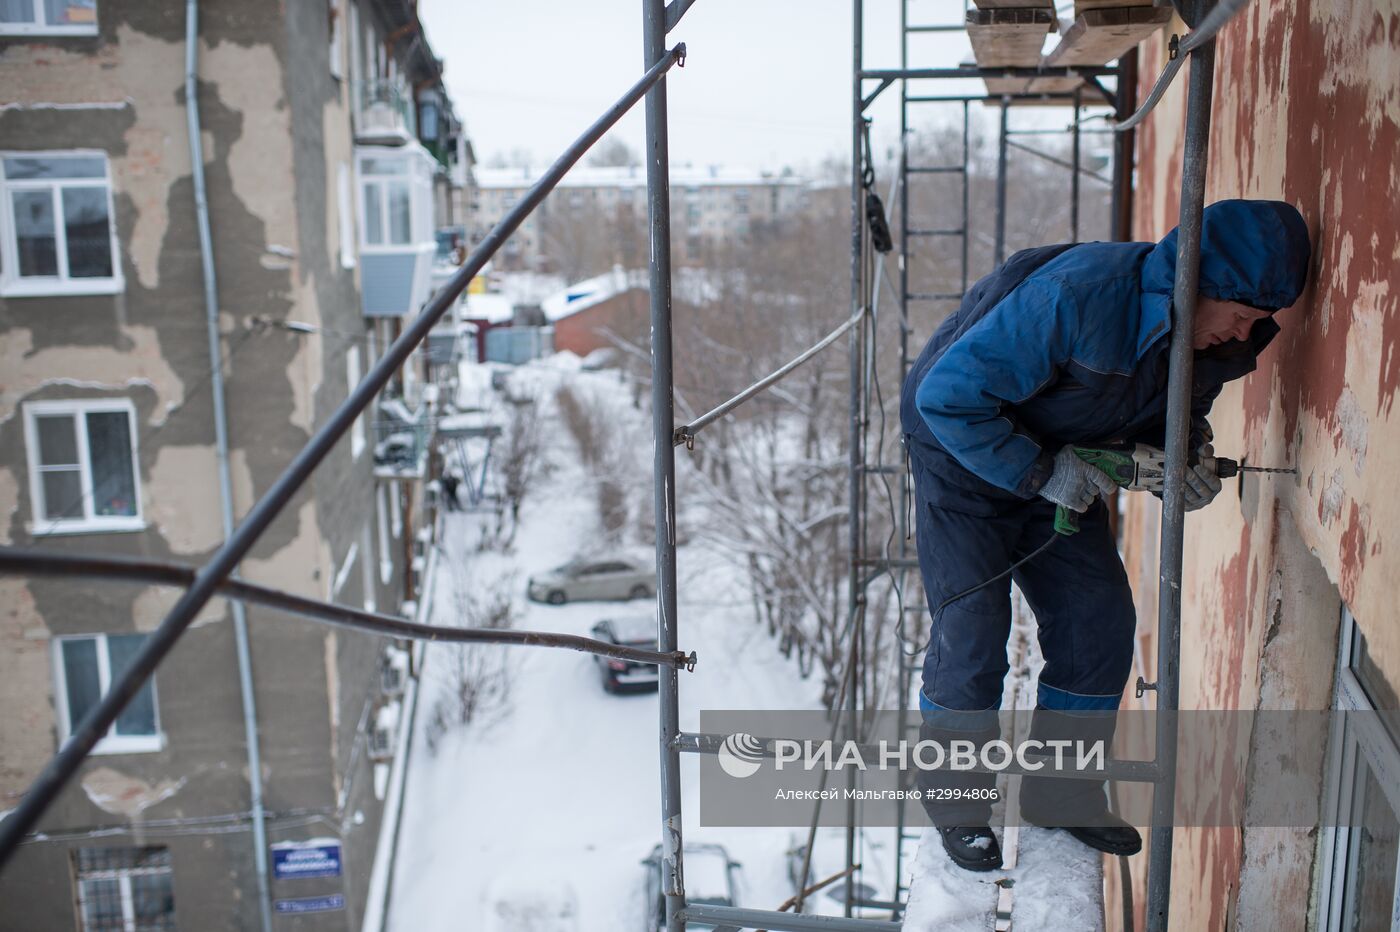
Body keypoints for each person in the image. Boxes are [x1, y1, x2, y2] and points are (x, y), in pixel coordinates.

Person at [898, 199, 1311, 871]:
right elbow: (947, 398)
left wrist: (1184, 457)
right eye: (1241, 311)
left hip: (1064, 456)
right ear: (1196, 280)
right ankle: (956, 799)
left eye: (1262, 320)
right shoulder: (1080, 296)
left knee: (1099, 620)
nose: (1247, 330)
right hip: (963, 455)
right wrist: (1039, 471)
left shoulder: (1218, 338)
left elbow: (1172, 415)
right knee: (972, 627)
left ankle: (1061, 793)